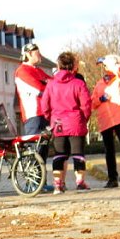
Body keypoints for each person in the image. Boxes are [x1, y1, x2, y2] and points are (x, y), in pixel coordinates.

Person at [40, 51, 92, 194]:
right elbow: (86, 104)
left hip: (58, 123)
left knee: (59, 154)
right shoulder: (79, 83)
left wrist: (50, 116)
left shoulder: (51, 84)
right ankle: (80, 182)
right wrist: (85, 118)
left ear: (59, 65)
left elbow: (44, 105)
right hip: (76, 122)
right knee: (78, 154)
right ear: (73, 66)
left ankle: (58, 184)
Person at [92, 54, 120, 188]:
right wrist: (100, 99)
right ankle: (112, 178)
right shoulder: (99, 84)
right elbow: (92, 102)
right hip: (105, 120)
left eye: (105, 65)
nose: (104, 68)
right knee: (109, 150)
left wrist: (109, 61)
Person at [15, 42, 53, 190]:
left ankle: (41, 182)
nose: (40, 55)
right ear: (28, 54)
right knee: (34, 150)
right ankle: (32, 183)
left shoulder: (38, 70)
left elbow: (52, 83)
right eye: (37, 53)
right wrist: (49, 88)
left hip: (44, 113)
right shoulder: (22, 71)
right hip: (33, 114)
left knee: (43, 149)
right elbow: (38, 88)